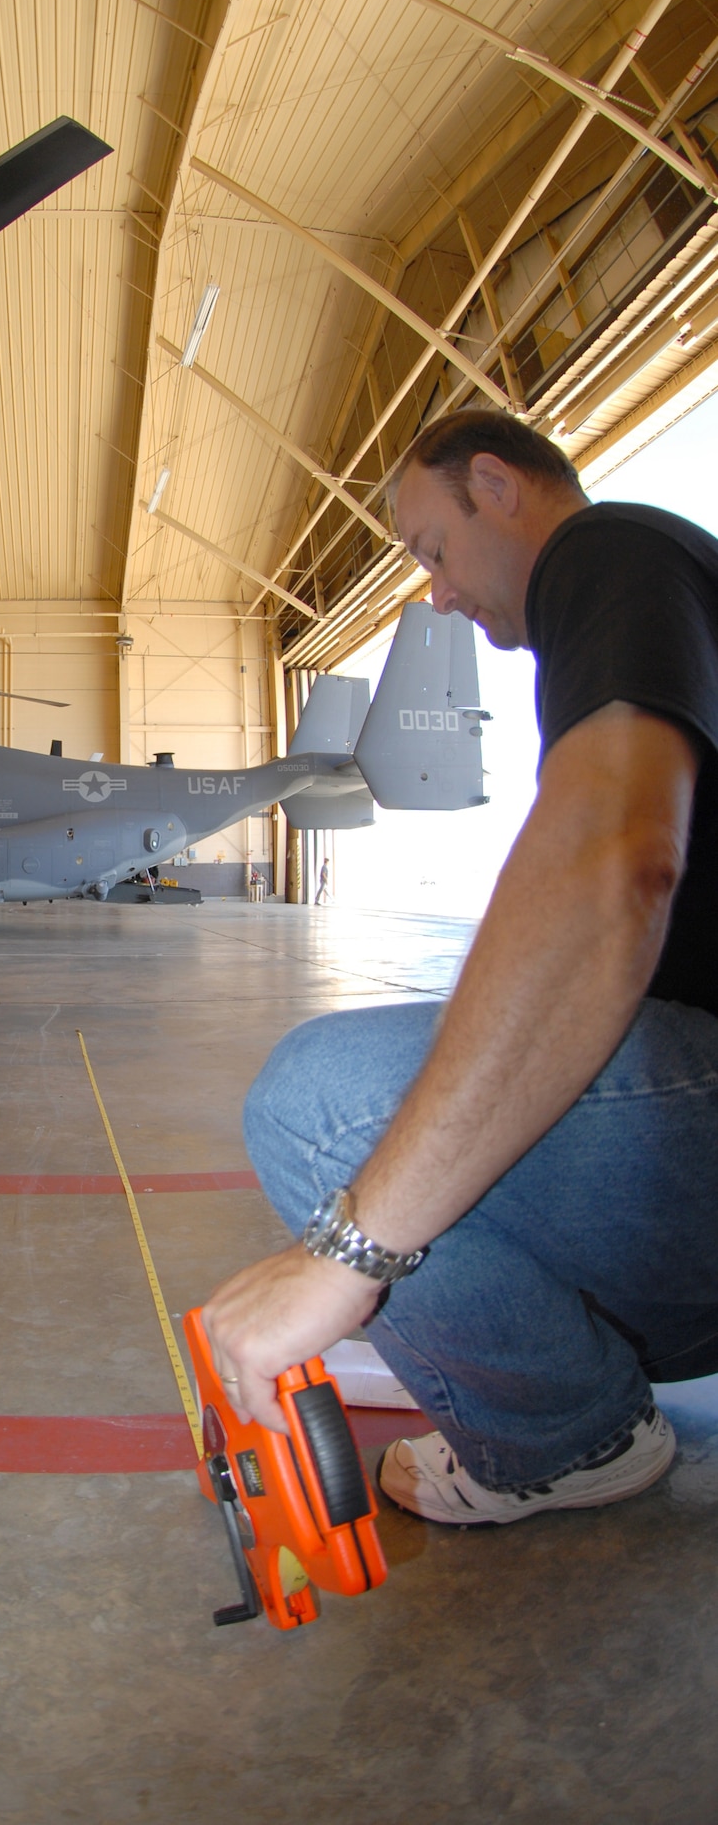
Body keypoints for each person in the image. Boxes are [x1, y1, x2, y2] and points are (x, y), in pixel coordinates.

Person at [204, 409, 718, 1524]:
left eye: (434, 547)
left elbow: (611, 866)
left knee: (321, 1104)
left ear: (496, 482)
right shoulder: (661, 585)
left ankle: (561, 1436)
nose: (435, 590)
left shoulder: (606, 551)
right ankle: (519, 1361)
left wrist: (350, 1253)